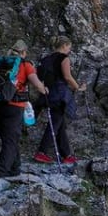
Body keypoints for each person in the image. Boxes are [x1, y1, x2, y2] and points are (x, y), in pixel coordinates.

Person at [0, 40, 47, 178]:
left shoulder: (0, 63)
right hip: (13, 106)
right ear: (24, 52)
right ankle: (1, 174)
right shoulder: (25, 65)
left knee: (8, 138)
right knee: (11, 140)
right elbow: (37, 84)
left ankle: (15, 168)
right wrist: (44, 89)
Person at [34, 35, 82, 165]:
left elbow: (39, 77)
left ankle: (67, 155)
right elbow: (67, 77)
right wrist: (77, 87)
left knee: (58, 124)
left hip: (46, 93)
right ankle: (41, 152)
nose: (69, 50)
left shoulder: (44, 59)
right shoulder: (64, 59)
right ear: (65, 45)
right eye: (69, 47)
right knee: (54, 124)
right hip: (59, 94)